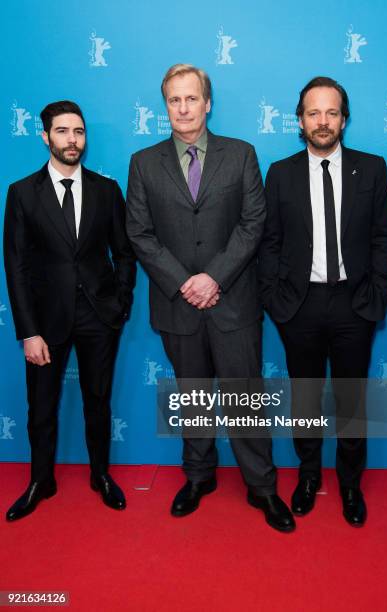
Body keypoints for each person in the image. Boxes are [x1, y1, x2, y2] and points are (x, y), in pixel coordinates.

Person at [126, 64, 294, 532]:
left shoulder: (241, 155)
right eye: (174, 101)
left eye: (191, 99)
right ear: (166, 107)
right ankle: (198, 478)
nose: (183, 108)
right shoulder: (143, 162)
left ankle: (262, 488)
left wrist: (213, 277)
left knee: (245, 399)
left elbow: (253, 223)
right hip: (177, 302)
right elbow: (139, 233)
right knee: (192, 396)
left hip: (233, 301)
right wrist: (185, 282)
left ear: (208, 103)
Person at [257, 77, 387, 526]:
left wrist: (377, 296)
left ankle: (351, 485)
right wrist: (276, 301)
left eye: (331, 112)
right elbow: (269, 243)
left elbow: (382, 238)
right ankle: (309, 476)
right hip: (299, 306)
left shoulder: (372, 169)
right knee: (305, 399)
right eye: (313, 113)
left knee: (352, 400)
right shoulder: (280, 173)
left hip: (355, 305)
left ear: (344, 119)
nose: (322, 121)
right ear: (300, 120)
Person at [3, 100, 136, 521]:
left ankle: (101, 475)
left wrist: (120, 305)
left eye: (78, 131)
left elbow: (125, 254)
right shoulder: (22, 193)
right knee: (41, 405)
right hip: (45, 322)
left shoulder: (106, 190)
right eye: (62, 131)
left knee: (98, 401)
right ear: (45, 137)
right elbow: (16, 267)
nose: (72, 140)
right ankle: (41, 480)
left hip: (99, 317)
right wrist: (28, 331)